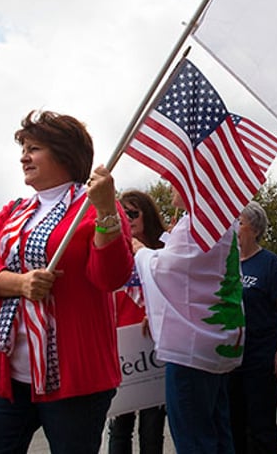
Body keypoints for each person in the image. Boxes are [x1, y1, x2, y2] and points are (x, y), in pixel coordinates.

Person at [0, 110, 134, 454]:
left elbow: (111, 277)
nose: (24, 157)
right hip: (6, 375)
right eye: (24, 148)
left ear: (64, 153)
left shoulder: (95, 208)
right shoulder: (12, 211)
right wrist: (20, 283)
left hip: (77, 379)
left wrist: (106, 215)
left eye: (34, 148)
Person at [134, 187, 245, 453]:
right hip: (215, 340)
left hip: (191, 347)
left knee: (193, 437)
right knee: (218, 432)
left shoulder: (196, 221)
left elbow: (165, 270)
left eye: (177, 178)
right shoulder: (219, 217)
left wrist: (140, 251)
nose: (171, 183)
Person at [229, 201, 277, 454]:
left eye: (239, 222)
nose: (234, 228)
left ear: (254, 229)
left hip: (261, 357)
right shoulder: (225, 261)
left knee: (260, 426)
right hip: (230, 359)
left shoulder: (269, 263)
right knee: (233, 423)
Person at [107, 190, 167, 454]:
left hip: (153, 343)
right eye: (123, 214)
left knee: (152, 427)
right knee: (119, 427)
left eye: (133, 213)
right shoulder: (113, 251)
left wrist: (154, 312)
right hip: (121, 345)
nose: (127, 219)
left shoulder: (164, 252)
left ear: (148, 215)